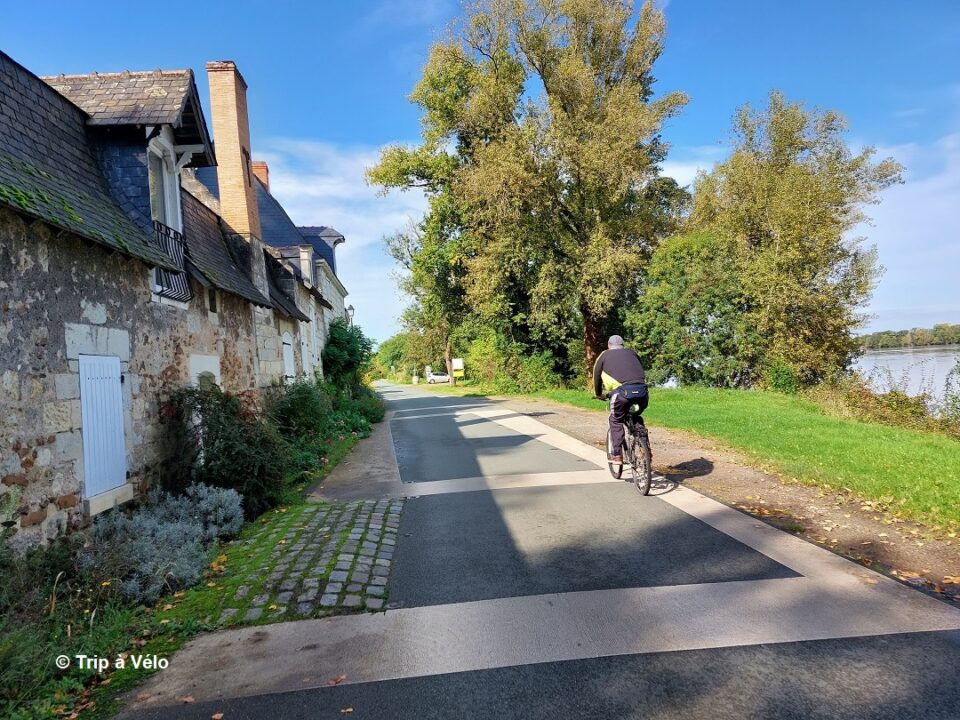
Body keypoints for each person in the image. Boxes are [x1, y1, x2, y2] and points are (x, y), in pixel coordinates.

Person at [593, 335, 648, 463]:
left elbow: (596, 375)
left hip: (622, 393)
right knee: (635, 416)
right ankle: (645, 449)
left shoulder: (604, 355)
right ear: (623, 345)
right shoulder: (632, 353)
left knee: (615, 420)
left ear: (608, 345)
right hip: (642, 392)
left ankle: (617, 454)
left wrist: (598, 393)